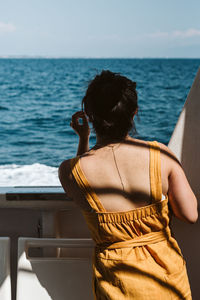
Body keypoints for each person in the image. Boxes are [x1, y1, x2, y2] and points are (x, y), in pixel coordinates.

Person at [59, 70, 198, 299]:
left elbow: (79, 186)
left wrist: (83, 139)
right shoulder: (160, 155)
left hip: (116, 287)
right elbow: (190, 214)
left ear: (90, 116)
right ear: (134, 113)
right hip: (167, 281)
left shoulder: (70, 171)